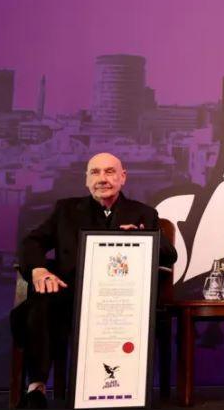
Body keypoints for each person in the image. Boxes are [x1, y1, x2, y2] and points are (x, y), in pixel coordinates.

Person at [13, 152, 177, 409]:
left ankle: (125, 392)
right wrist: (37, 270)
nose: (103, 178)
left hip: (124, 302)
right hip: (72, 296)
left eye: (110, 172)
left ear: (123, 178)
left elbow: (170, 255)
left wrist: (146, 239)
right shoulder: (65, 210)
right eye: (95, 172)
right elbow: (31, 242)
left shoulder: (144, 214)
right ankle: (36, 388)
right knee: (40, 303)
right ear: (86, 180)